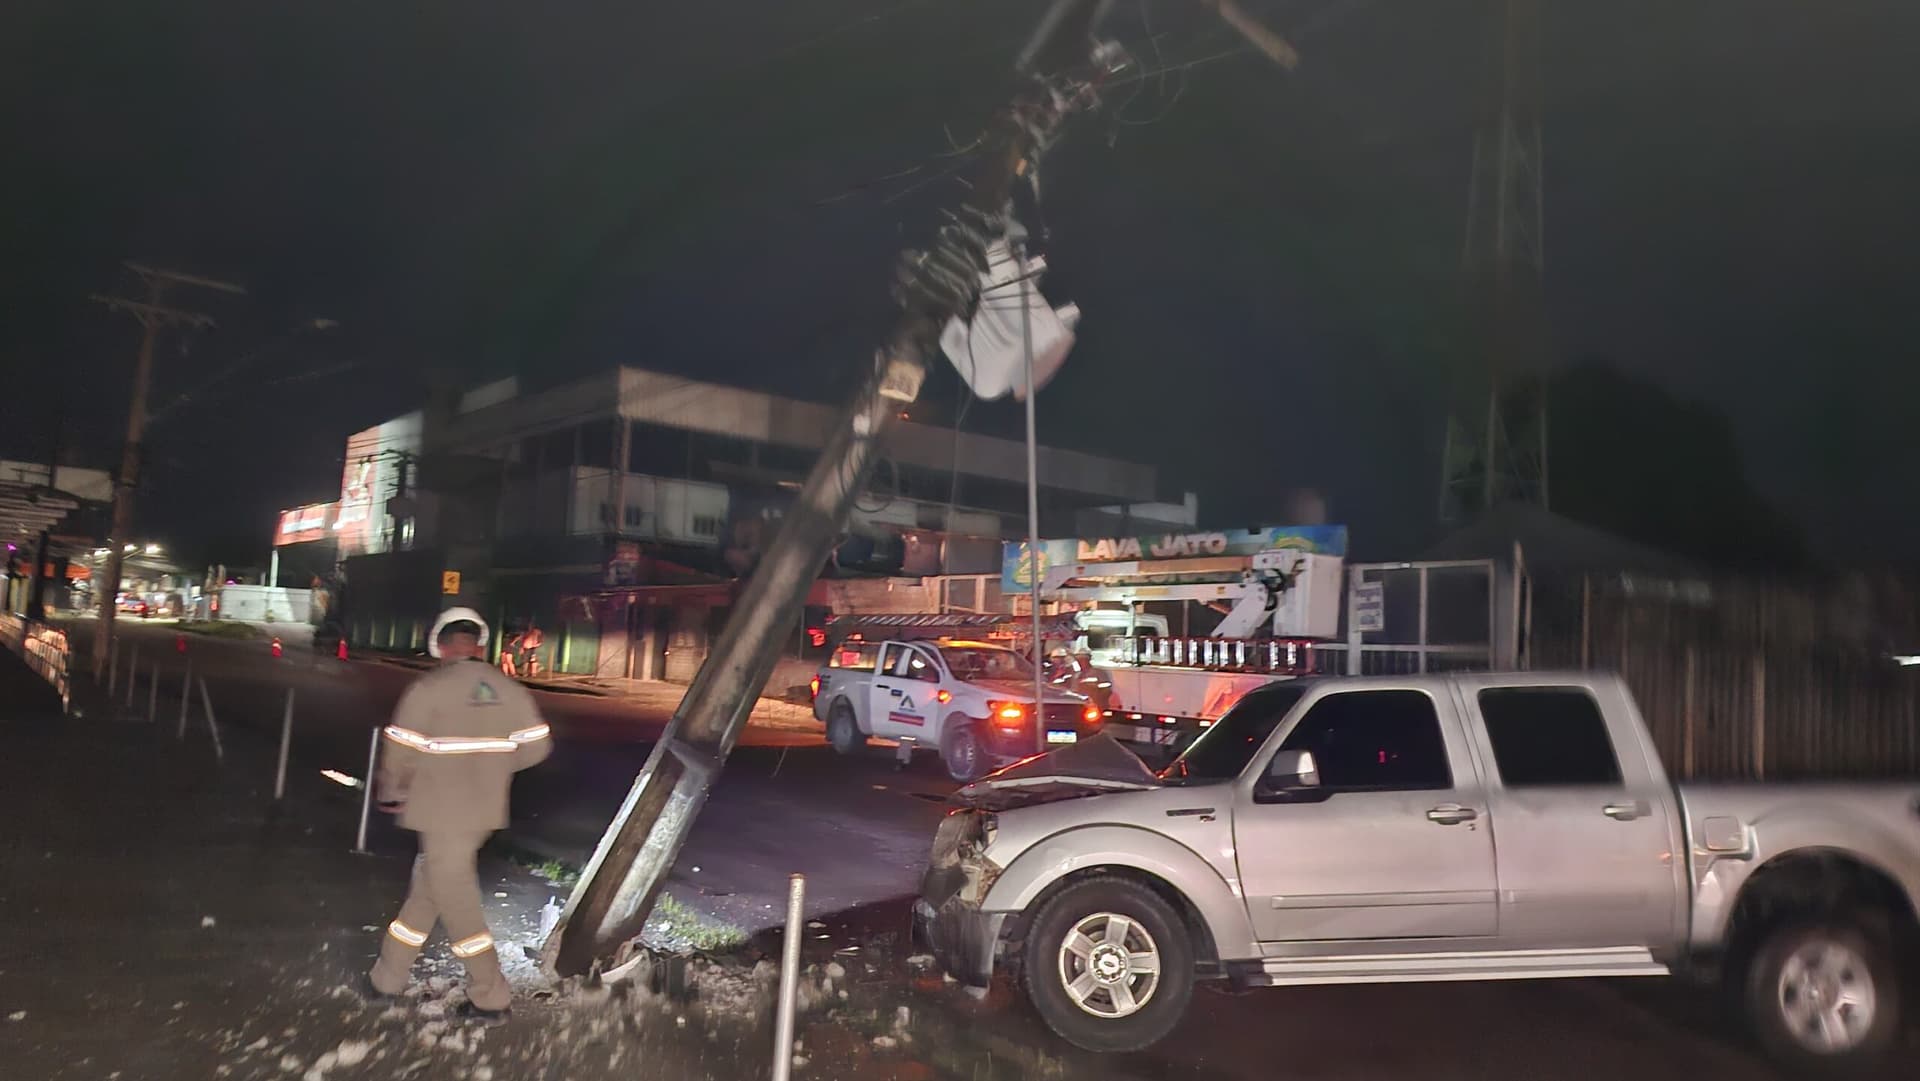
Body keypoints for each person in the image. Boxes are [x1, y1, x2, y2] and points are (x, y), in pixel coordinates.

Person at [364, 607, 551, 1024]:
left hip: (439, 812)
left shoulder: (427, 689)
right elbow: (538, 746)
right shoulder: (508, 689)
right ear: (479, 646)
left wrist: (393, 792)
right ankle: (386, 978)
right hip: (483, 813)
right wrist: (495, 767)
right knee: (427, 892)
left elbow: (400, 751)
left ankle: (490, 996)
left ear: (441, 645)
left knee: (458, 903)